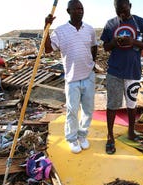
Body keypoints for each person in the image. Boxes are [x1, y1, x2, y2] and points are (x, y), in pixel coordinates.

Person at [44, 0, 98, 154]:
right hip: (72, 78)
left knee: (88, 110)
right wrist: (46, 28)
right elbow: (48, 49)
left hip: (88, 76)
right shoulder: (60, 31)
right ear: (68, 11)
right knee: (72, 111)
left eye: (81, 8)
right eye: (76, 9)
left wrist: (92, 63)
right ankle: (72, 138)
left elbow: (94, 46)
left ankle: (82, 135)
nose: (80, 11)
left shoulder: (89, 29)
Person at [100, 0, 143, 154]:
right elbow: (105, 47)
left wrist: (133, 41)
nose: (122, 13)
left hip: (133, 71)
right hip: (114, 72)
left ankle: (131, 132)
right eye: (118, 11)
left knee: (131, 105)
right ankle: (110, 137)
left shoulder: (140, 22)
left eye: (124, 9)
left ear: (130, 6)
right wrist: (114, 42)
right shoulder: (110, 24)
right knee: (112, 105)